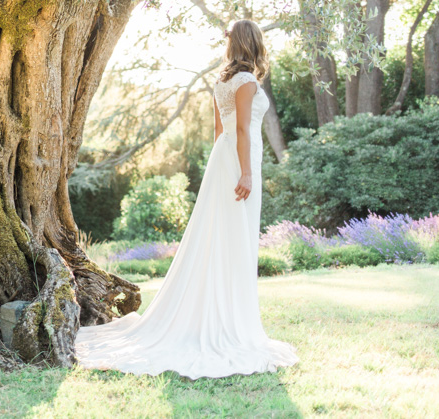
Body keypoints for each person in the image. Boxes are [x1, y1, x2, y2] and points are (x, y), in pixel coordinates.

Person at [74, 19, 299, 379]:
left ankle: (224, 314)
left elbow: (218, 133)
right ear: (253, 43)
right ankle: (229, 324)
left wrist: (227, 168)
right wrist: (245, 172)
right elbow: (240, 128)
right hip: (239, 162)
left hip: (223, 160)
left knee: (223, 239)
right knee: (235, 241)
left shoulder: (222, 80)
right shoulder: (246, 81)